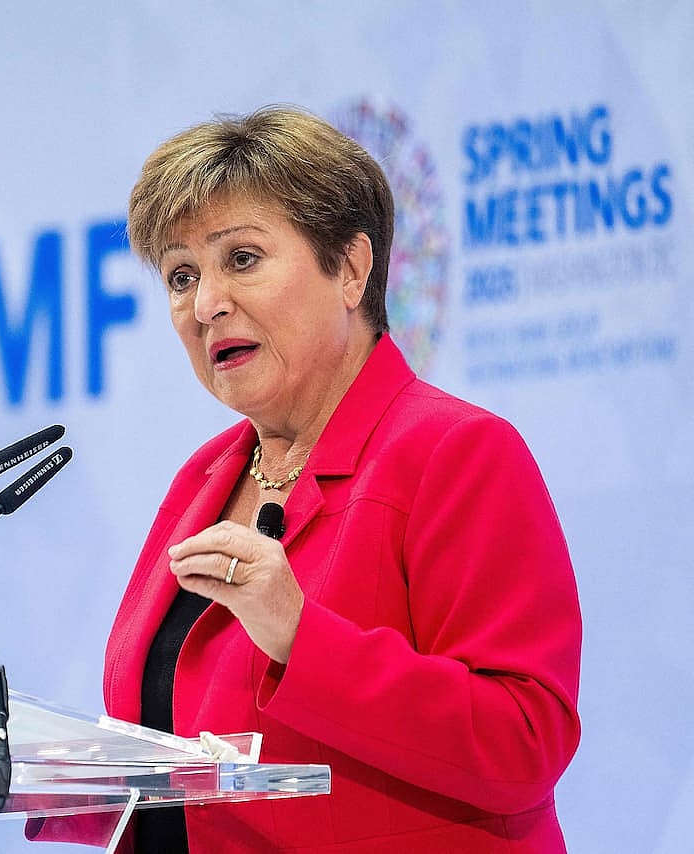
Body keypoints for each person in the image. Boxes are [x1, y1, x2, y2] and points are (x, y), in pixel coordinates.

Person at [108, 107, 581, 852]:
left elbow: (524, 740)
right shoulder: (202, 479)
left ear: (351, 269)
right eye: (181, 276)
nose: (205, 305)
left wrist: (303, 638)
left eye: (242, 258)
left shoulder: (455, 452)